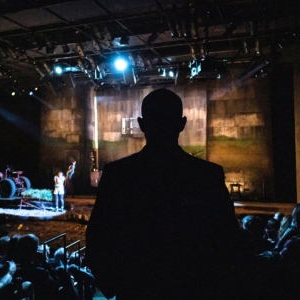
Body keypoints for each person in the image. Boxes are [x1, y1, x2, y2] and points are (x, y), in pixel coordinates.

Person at [86, 88, 238, 299]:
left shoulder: (118, 174)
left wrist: (114, 285)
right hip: (193, 289)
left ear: (141, 124)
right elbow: (227, 238)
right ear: (182, 124)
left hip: (136, 288)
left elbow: (98, 237)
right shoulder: (207, 175)